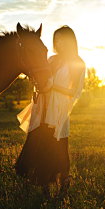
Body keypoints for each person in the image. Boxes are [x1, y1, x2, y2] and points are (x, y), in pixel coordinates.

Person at [15, 26, 86, 199]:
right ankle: (44, 185)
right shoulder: (52, 60)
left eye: (63, 39)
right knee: (43, 147)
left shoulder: (77, 62)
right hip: (43, 107)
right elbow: (41, 77)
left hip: (59, 110)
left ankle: (64, 183)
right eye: (56, 39)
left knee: (60, 148)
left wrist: (53, 87)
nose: (59, 43)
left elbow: (74, 92)